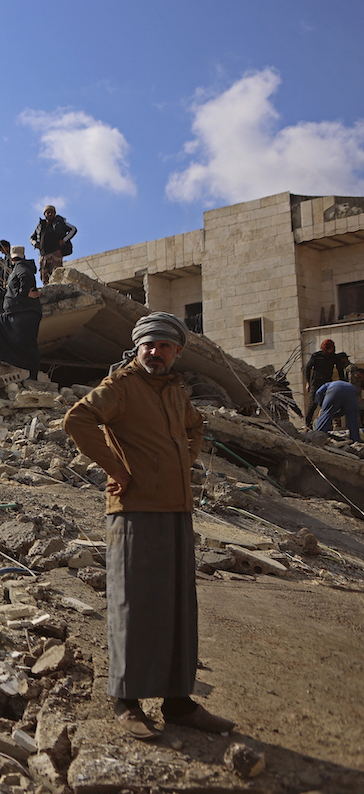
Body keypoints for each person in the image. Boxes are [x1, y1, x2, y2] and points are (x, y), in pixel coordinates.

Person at [64, 311, 233, 741]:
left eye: (163, 346)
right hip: (134, 511)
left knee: (178, 607)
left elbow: (196, 425)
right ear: (138, 348)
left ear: (176, 351)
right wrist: (116, 468)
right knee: (134, 606)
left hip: (177, 510)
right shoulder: (121, 386)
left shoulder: (176, 391)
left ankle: (178, 703)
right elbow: (77, 421)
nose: (155, 352)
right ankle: (127, 700)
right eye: (148, 345)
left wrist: (189, 458)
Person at [0, 246, 43, 379]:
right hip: (20, 312)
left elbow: (24, 277)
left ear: (11, 259)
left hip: (23, 312)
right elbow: (12, 290)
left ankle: (32, 374)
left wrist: (25, 294)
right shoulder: (22, 266)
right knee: (19, 340)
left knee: (25, 343)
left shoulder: (21, 267)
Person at [304, 339, 351, 428]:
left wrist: (343, 383)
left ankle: (328, 425)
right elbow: (308, 368)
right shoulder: (316, 356)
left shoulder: (334, 357)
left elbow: (340, 370)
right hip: (316, 383)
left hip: (327, 383)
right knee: (313, 404)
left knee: (328, 404)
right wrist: (308, 382)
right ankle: (307, 424)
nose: (329, 352)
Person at [30, 205, 77, 285]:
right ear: (45, 214)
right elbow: (31, 238)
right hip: (44, 254)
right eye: (48, 212)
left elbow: (73, 229)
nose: (50, 214)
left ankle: (57, 287)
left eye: (52, 212)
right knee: (44, 275)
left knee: (56, 273)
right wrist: (36, 244)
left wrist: (64, 240)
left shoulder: (60, 222)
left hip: (56, 252)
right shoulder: (41, 225)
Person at [313, 370, 363, 442]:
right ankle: (355, 441)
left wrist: (322, 406)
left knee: (326, 415)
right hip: (352, 391)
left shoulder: (327, 385)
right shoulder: (336, 384)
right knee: (353, 418)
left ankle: (318, 437)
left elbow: (318, 393)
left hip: (335, 390)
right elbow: (343, 411)